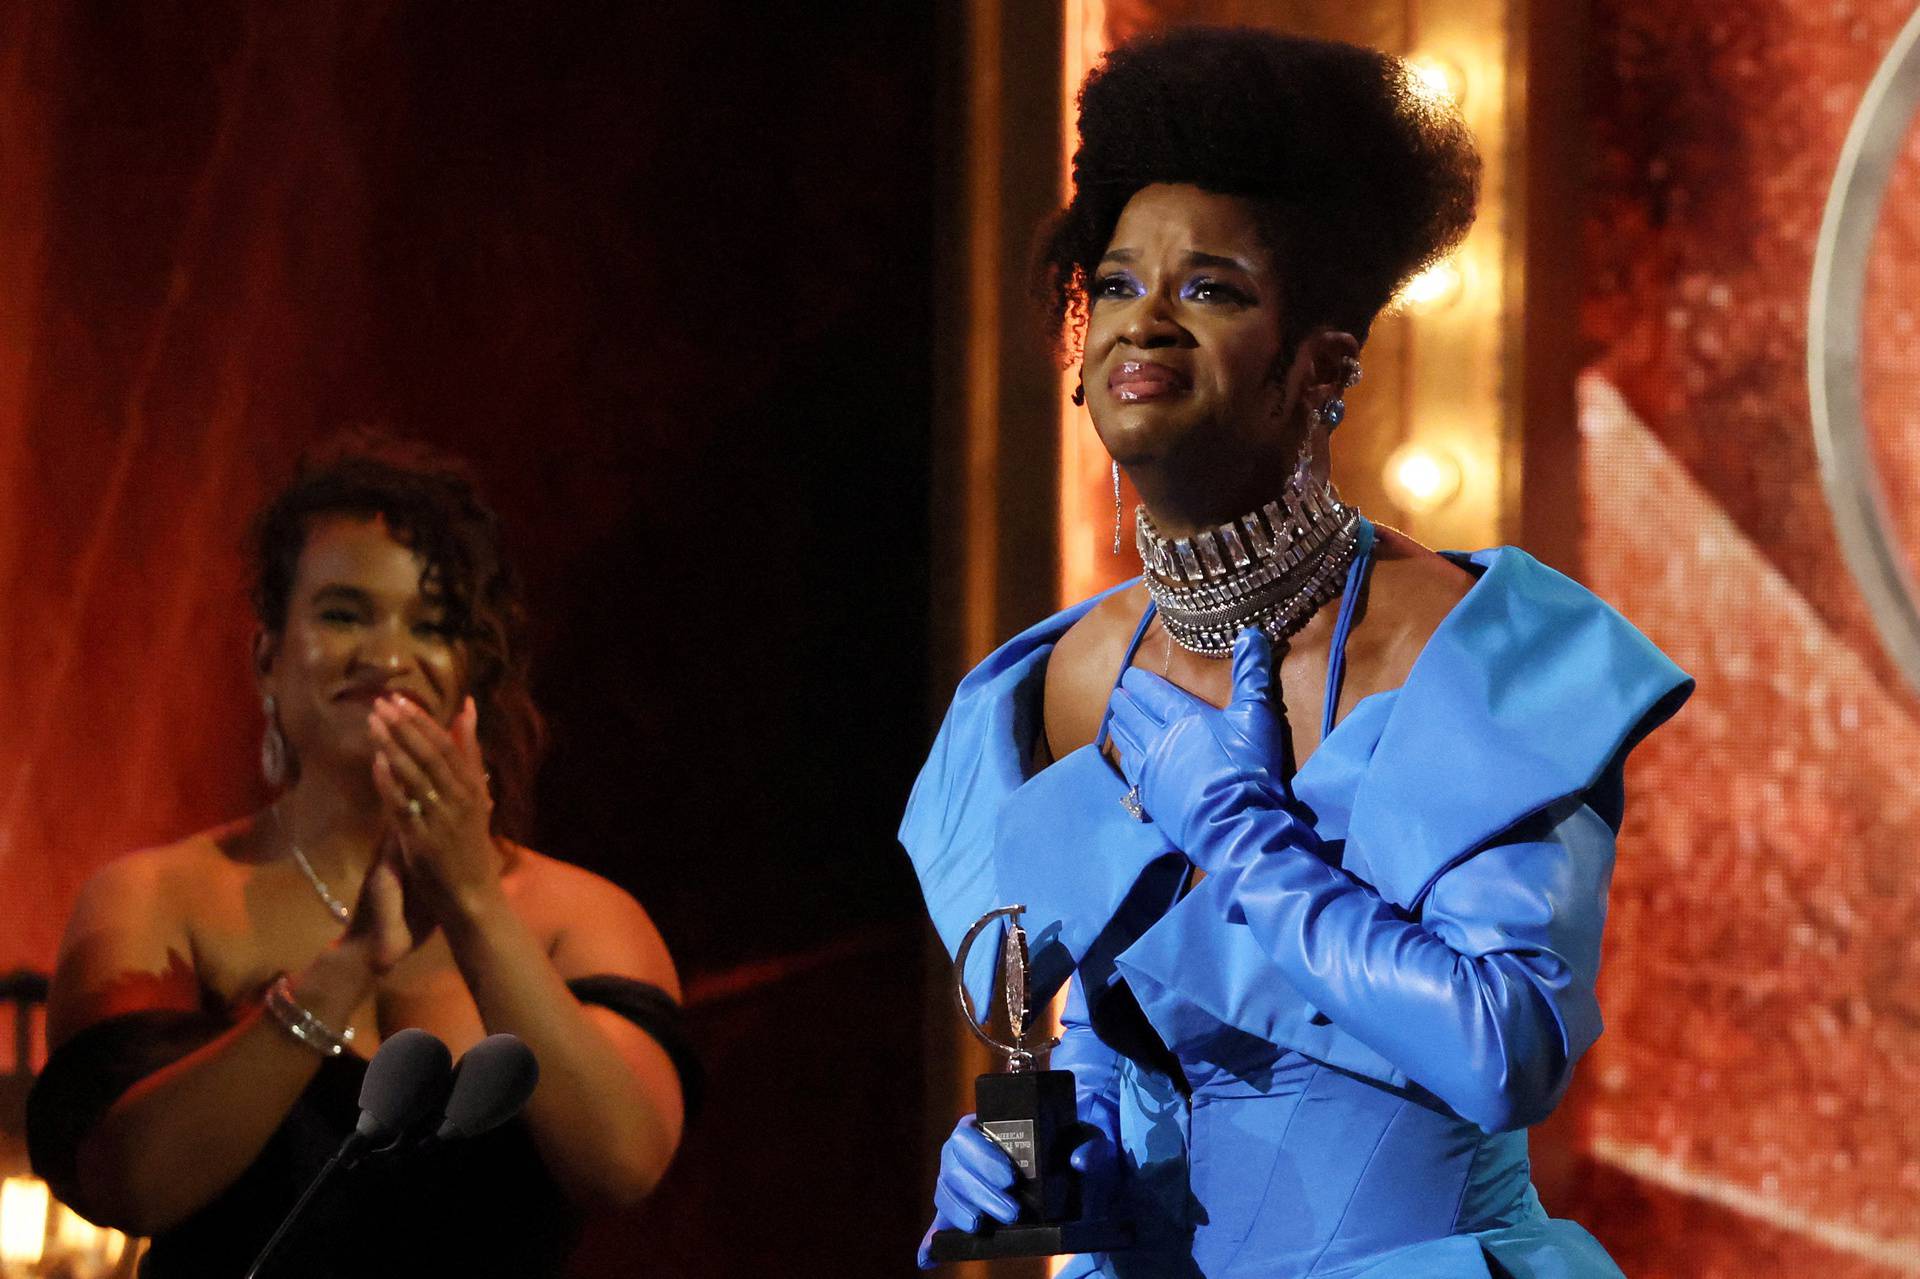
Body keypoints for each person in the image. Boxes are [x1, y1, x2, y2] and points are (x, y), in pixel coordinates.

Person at [901, 27, 1692, 1278]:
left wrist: (1242, 836)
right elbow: (1112, 1052)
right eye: (1114, 284)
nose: (1142, 323)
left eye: (1209, 289)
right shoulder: (1066, 679)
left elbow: (1506, 1050)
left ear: (1323, 365)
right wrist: (1051, 1170)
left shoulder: (1472, 647)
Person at [28, 437, 698, 1278]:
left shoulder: (583, 916)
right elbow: (128, 1180)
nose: (386, 656)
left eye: (432, 625)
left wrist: (475, 904)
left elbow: (624, 1161)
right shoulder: (158, 896)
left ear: (472, 672)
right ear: (268, 658)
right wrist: (346, 966)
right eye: (344, 613)